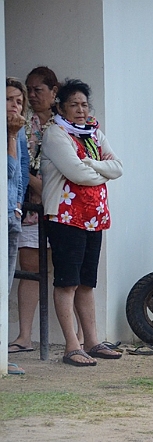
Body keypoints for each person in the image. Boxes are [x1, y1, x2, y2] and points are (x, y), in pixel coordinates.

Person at [40, 79, 122, 366]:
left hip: (93, 218)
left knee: (87, 282)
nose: (80, 110)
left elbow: (118, 167)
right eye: (73, 104)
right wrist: (100, 169)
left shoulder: (94, 133)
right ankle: (71, 346)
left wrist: (91, 164)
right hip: (65, 218)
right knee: (67, 282)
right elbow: (78, 174)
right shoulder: (55, 134)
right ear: (60, 107)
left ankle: (92, 341)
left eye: (84, 104)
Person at [9, 67, 59, 354]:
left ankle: (78, 336)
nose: (32, 95)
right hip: (29, 205)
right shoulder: (23, 124)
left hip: (60, 206)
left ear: (54, 91)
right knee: (28, 267)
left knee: (66, 272)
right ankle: (24, 336)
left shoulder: (64, 124)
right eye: (29, 89)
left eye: (38, 89)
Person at [6, 78, 29, 375]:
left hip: (11, 214)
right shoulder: (12, 132)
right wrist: (11, 135)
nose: (15, 106)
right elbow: (7, 169)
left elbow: (21, 172)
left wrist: (19, 207)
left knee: (5, 283)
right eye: (10, 99)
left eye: (19, 101)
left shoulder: (18, 131)